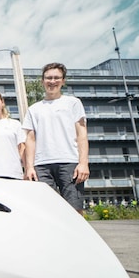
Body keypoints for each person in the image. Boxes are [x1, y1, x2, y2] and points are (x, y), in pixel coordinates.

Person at [23, 62, 89, 213]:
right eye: (48, 78)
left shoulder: (73, 103)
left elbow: (82, 134)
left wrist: (83, 163)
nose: (52, 81)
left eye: (56, 78)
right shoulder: (34, 109)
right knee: (47, 211)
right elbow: (30, 139)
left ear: (63, 81)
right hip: (42, 166)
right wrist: (29, 167)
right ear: (42, 81)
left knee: (75, 210)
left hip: (69, 163)